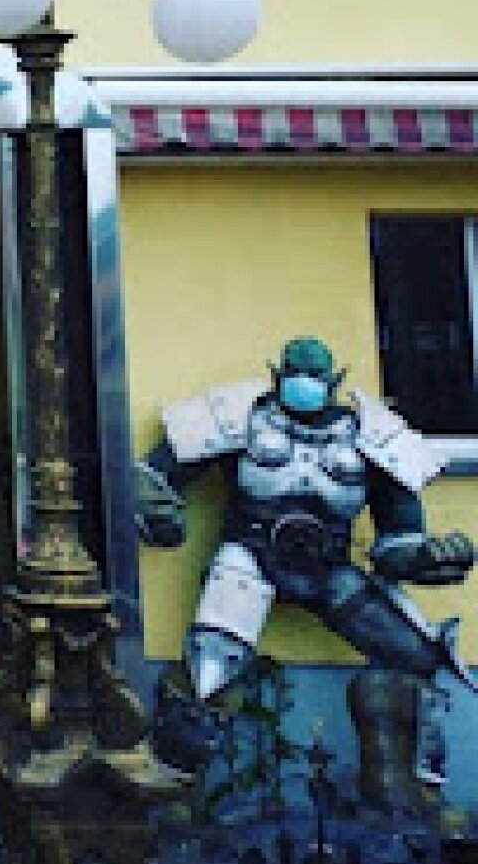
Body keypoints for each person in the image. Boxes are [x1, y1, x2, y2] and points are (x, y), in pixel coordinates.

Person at [137, 335, 474, 807]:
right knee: (210, 666)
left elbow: (398, 537)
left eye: (314, 374)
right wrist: (158, 512)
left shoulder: (372, 435)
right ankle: (169, 794)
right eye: (296, 372)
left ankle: (405, 797)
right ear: (277, 374)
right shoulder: (241, 417)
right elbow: (153, 475)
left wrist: (428, 559)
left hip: (330, 568)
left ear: (334, 380)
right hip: (249, 556)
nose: (304, 383)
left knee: (414, 657)